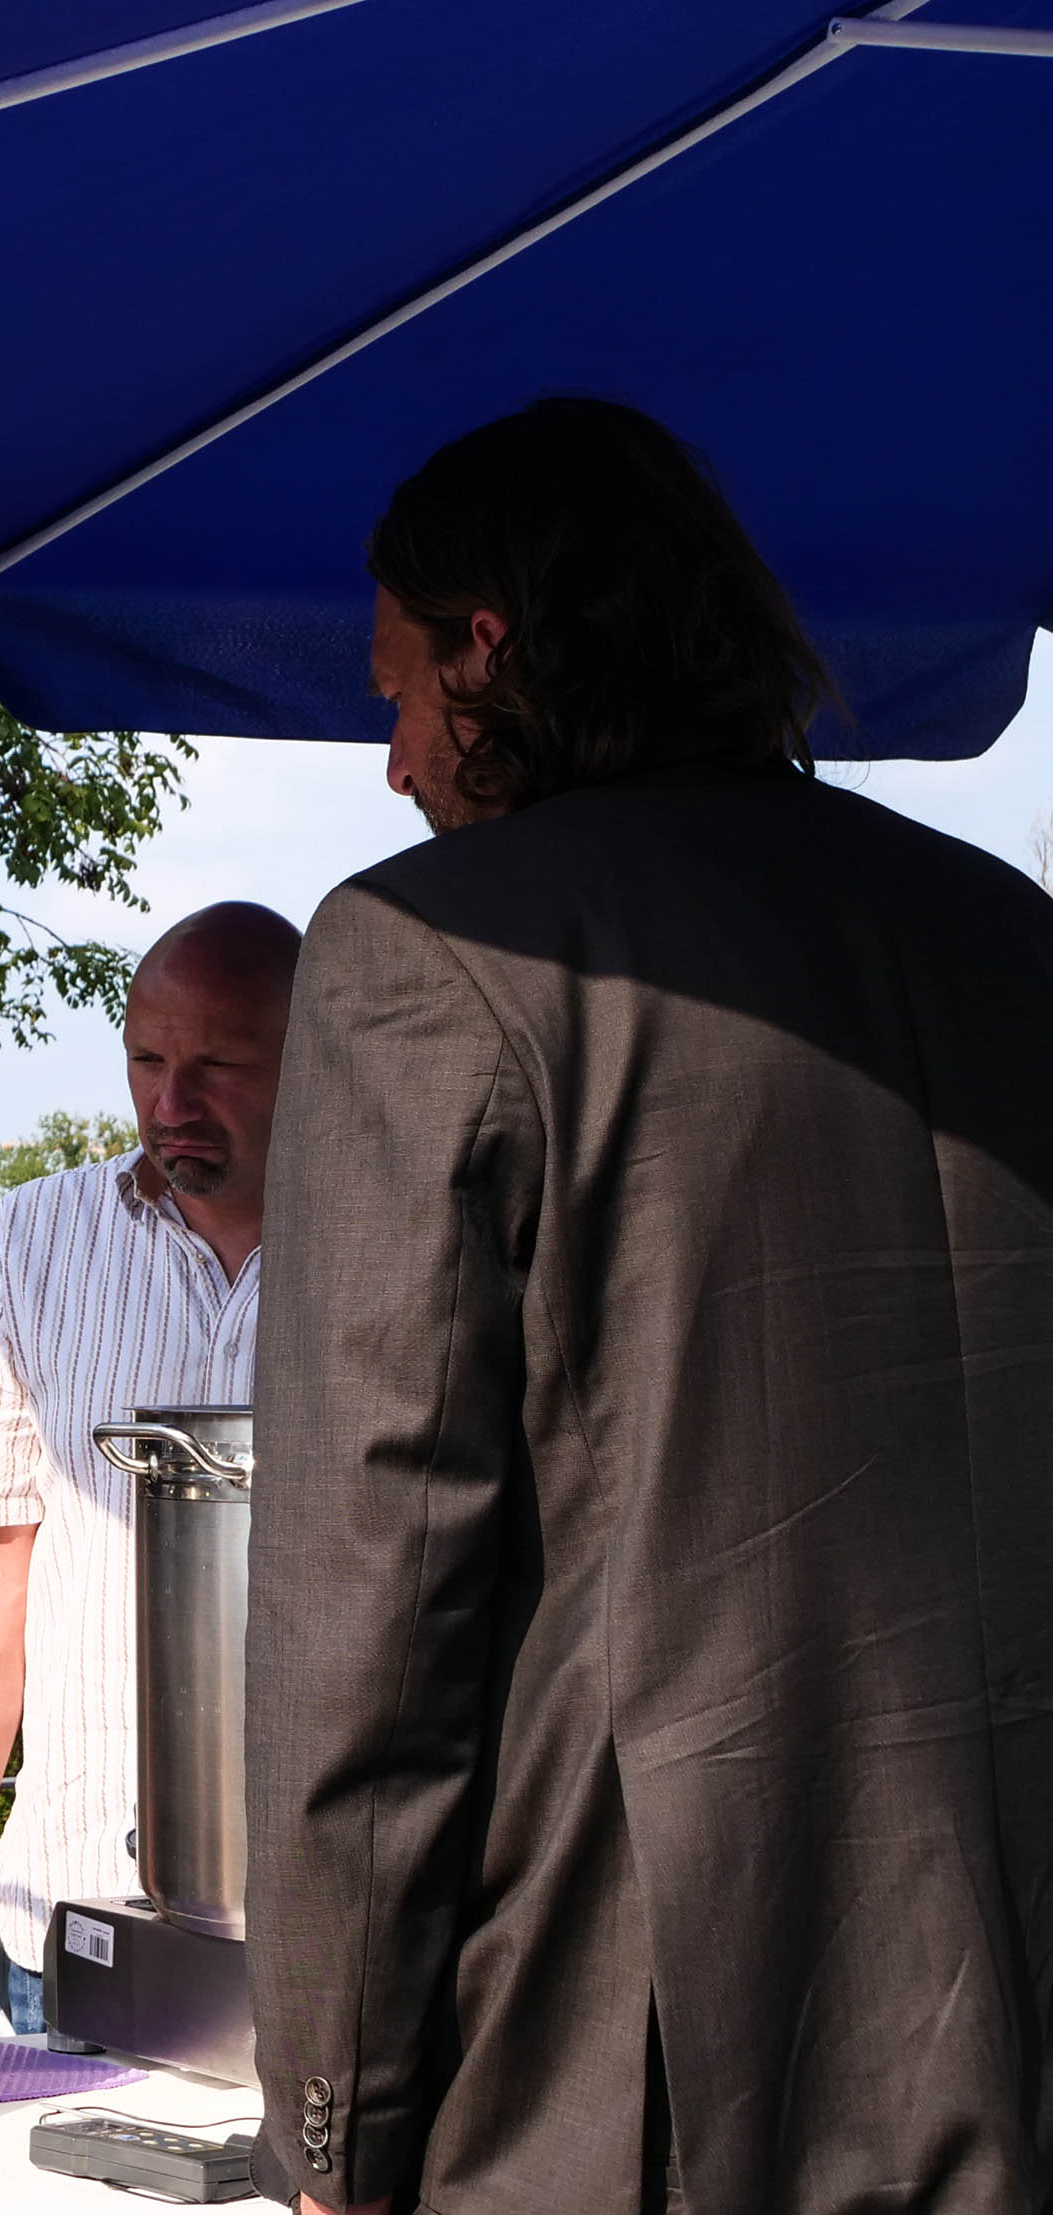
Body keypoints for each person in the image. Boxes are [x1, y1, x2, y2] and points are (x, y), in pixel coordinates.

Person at [250, 397, 1053, 2213]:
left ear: (486, 647)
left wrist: (332, 2116)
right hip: (1005, 2038)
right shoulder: (1012, 938)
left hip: (623, 2070)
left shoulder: (425, 956)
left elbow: (365, 1604)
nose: (391, 760)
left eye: (394, 692)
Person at [0, 902, 299, 2041]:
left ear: (319, 1056)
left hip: (331, 1949)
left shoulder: (412, 1242)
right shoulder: (31, 1241)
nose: (170, 1104)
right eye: (145, 1061)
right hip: (67, 1928)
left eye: (217, 1065)